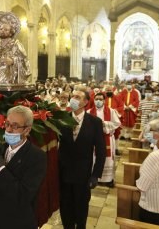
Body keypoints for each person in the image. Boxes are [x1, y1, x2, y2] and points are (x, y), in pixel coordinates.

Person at [0, 105, 47, 229]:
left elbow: (22, 196)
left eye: (15, 126)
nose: (9, 130)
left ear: (27, 130)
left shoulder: (37, 156)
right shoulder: (1, 149)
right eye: (7, 124)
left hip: (17, 222)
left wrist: (0, 168)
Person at [58, 89, 106, 229]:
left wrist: (96, 174)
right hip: (64, 173)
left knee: (81, 208)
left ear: (85, 102)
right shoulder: (62, 118)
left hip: (83, 174)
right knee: (65, 207)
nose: (73, 99)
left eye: (77, 97)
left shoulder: (95, 122)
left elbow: (101, 150)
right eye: (72, 96)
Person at [0, 12, 31, 84]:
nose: (2, 31)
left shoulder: (16, 45)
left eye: (5, 30)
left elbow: (25, 62)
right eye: (1, 29)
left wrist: (13, 61)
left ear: (11, 32)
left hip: (11, 81)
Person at [87, 92, 120, 187]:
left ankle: (108, 179)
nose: (98, 101)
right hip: (93, 139)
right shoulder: (89, 112)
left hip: (107, 138)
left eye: (100, 99)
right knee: (94, 157)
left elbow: (117, 123)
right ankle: (95, 177)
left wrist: (104, 124)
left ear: (104, 101)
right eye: (96, 99)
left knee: (108, 159)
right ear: (93, 100)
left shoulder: (111, 111)